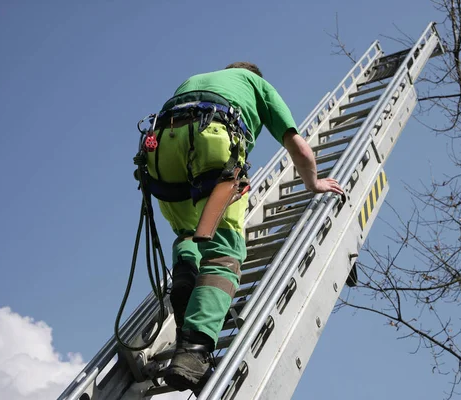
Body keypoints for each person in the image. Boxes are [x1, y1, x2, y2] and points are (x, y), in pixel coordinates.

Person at [144, 62, 343, 392]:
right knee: (223, 248)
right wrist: (314, 183)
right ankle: (194, 352)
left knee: (190, 233)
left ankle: (185, 277)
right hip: (212, 139)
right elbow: (300, 148)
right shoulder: (257, 85)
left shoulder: (195, 79)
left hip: (158, 149)